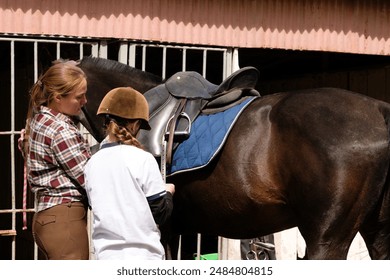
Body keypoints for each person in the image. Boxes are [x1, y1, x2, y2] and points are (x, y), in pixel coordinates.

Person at [84, 87, 175, 260]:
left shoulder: (91, 164)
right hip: (143, 257)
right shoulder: (143, 159)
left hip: (105, 257)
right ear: (135, 124)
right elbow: (160, 213)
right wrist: (168, 192)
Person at [24, 60, 91, 260]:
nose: (85, 101)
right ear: (57, 97)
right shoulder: (61, 131)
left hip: (48, 217)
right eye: (79, 97)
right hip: (64, 218)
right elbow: (88, 178)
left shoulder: (38, 120)